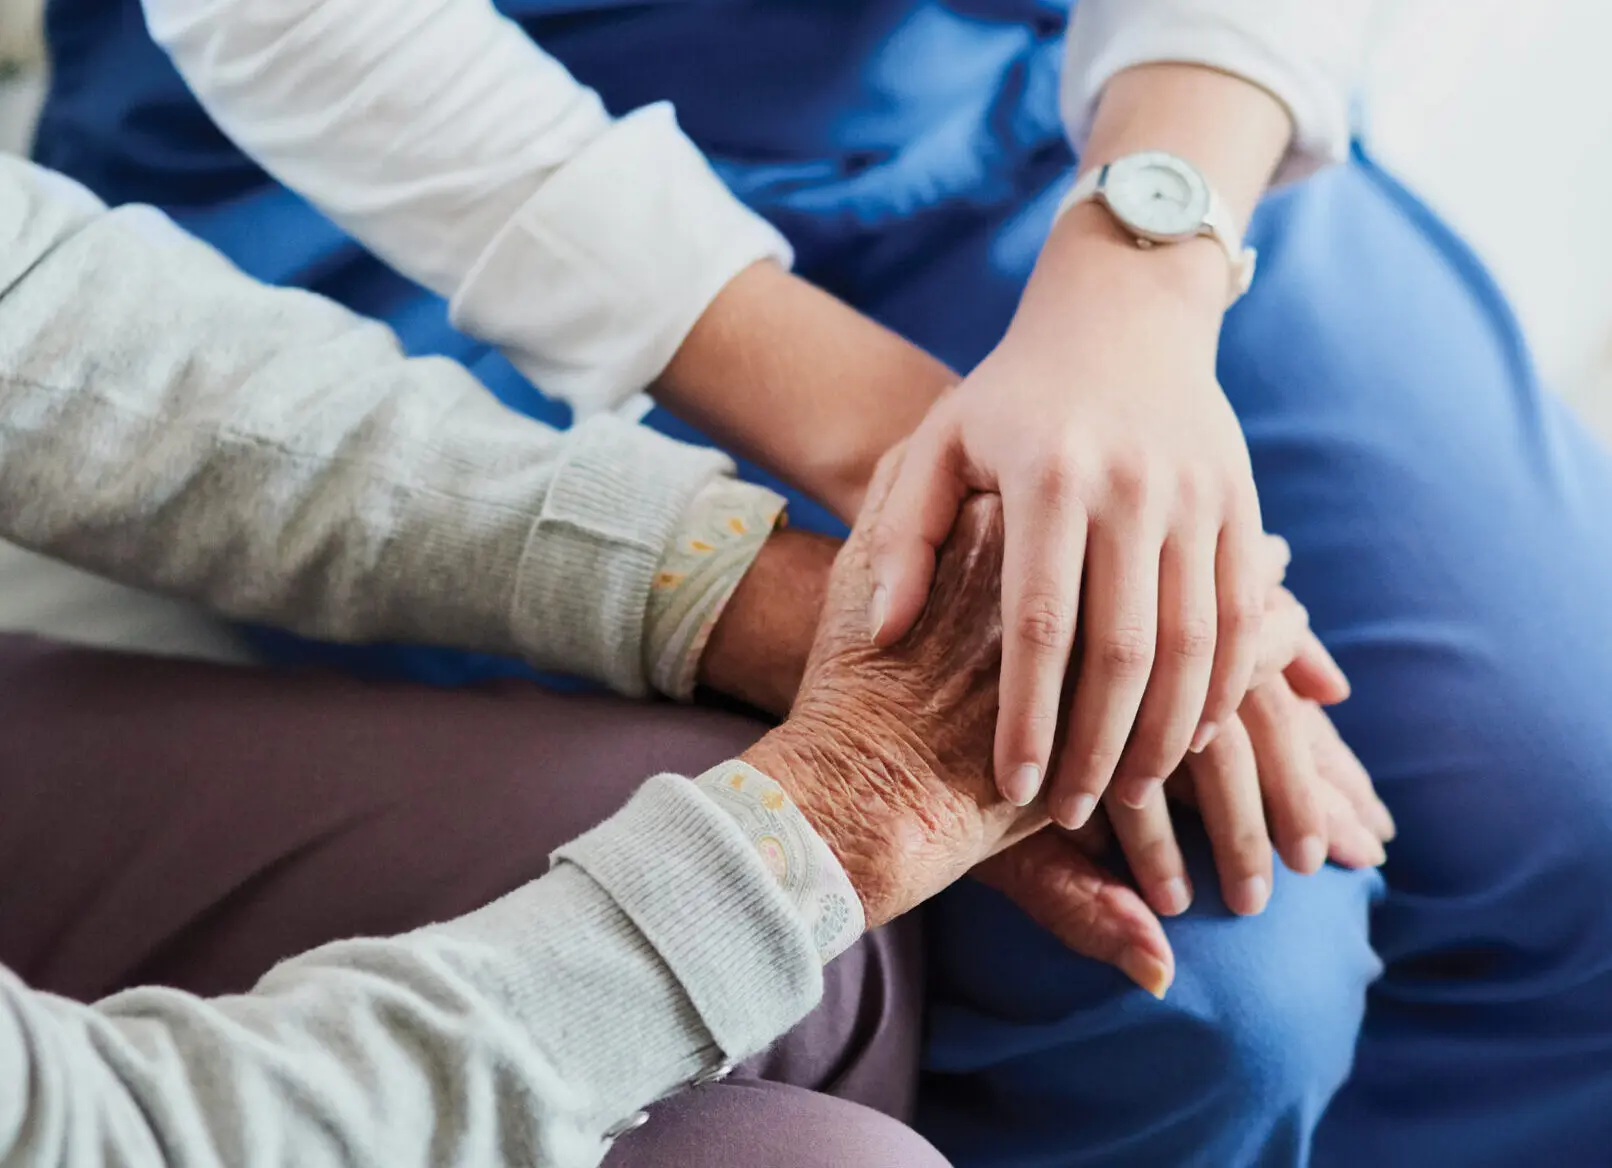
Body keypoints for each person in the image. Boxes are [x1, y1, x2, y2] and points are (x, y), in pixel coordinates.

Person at [36, 0, 1612, 1163]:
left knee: (1579, 804)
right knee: (1210, 977)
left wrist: (1139, 287)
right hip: (393, 209)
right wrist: (958, 487)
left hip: (1055, 121)